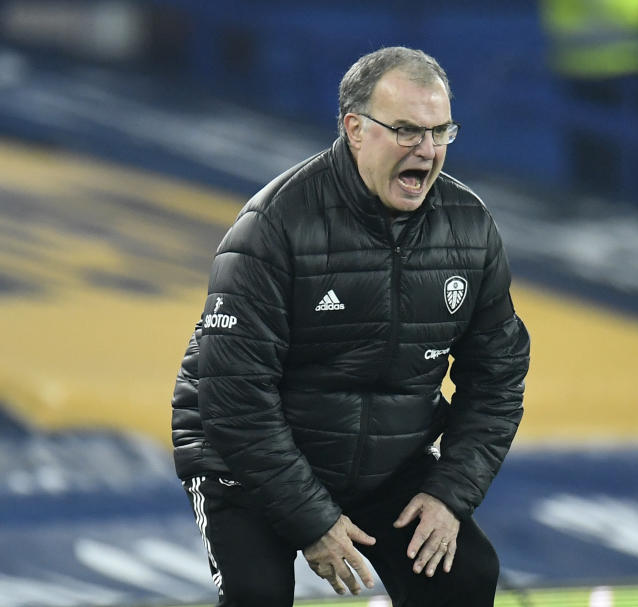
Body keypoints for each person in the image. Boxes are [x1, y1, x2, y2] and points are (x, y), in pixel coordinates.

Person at [170, 46, 530, 606]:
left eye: (441, 132)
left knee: (464, 577)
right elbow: (235, 398)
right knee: (256, 595)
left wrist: (449, 494)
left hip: (385, 465)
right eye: (408, 131)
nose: (428, 151)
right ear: (355, 129)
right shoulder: (272, 227)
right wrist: (313, 521)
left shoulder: (469, 229)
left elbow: (499, 376)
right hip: (245, 464)